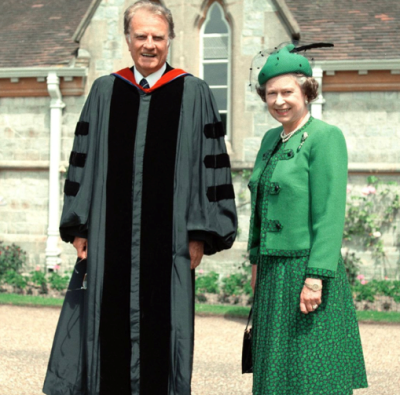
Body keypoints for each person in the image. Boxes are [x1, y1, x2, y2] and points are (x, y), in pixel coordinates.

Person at [43, 1, 237, 394]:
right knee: (106, 330)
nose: (150, 45)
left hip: (169, 244)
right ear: (128, 39)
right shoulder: (104, 91)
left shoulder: (193, 93)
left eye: (158, 37)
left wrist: (200, 232)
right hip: (108, 240)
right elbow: (83, 162)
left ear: (170, 40)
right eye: (141, 36)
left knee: (165, 333)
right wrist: (80, 226)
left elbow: (210, 166)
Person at [247, 44, 368, 395]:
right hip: (272, 272)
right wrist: (255, 260)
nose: (279, 100)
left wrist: (315, 277)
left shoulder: (325, 137)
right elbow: (259, 202)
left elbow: (330, 213)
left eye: (287, 92)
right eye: (271, 93)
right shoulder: (271, 139)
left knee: (310, 372)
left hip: (307, 269)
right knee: (276, 371)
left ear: (307, 92)